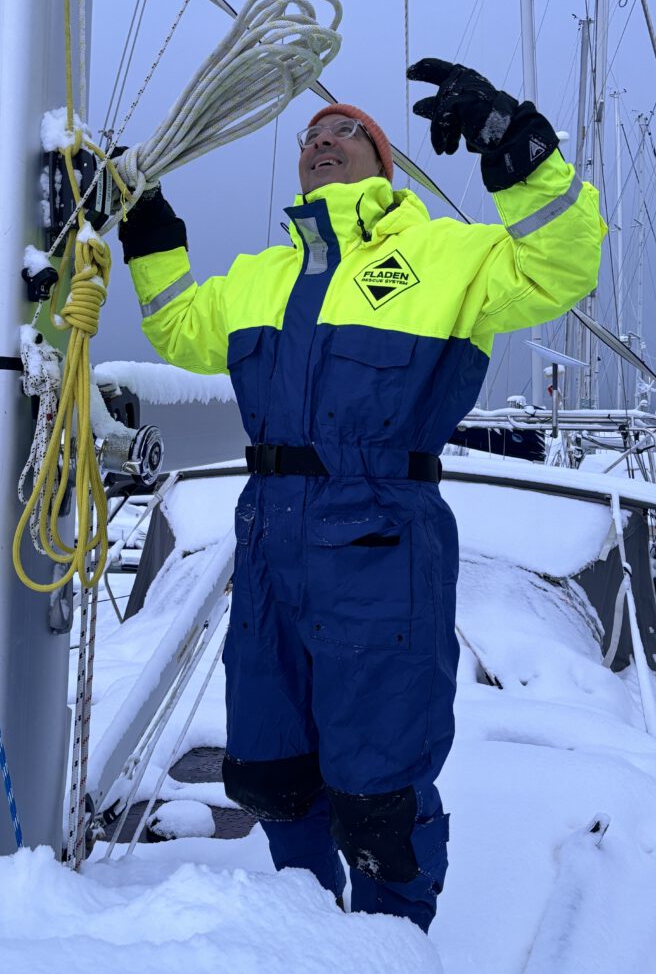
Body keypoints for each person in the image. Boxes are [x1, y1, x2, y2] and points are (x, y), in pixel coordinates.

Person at [118, 58, 605, 931]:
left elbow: (559, 267)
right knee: (273, 770)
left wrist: (514, 146)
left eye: (344, 131)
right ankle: (295, 930)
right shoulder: (263, 276)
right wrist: (150, 230)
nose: (321, 142)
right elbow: (183, 329)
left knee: (379, 793)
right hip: (269, 553)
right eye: (311, 136)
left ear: (384, 162)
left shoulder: (443, 255)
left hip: (383, 548)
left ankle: (390, 945)